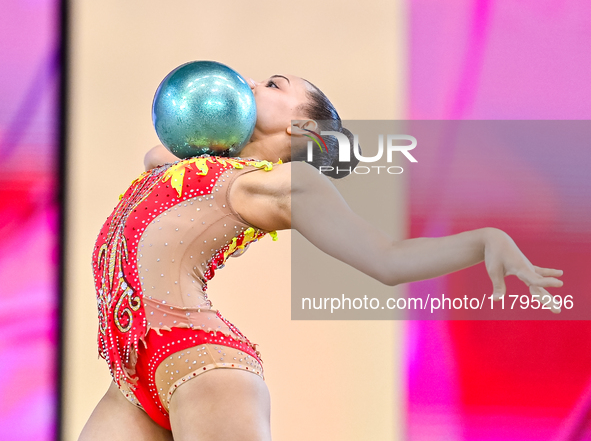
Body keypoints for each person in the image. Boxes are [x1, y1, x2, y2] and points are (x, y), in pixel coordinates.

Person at [79, 73, 564, 441]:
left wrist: (483, 241)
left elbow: (387, 258)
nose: (244, 83)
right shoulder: (183, 165)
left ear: (301, 126)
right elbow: (156, 153)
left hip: (202, 365)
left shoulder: (282, 184)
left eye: (271, 84)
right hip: (129, 379)